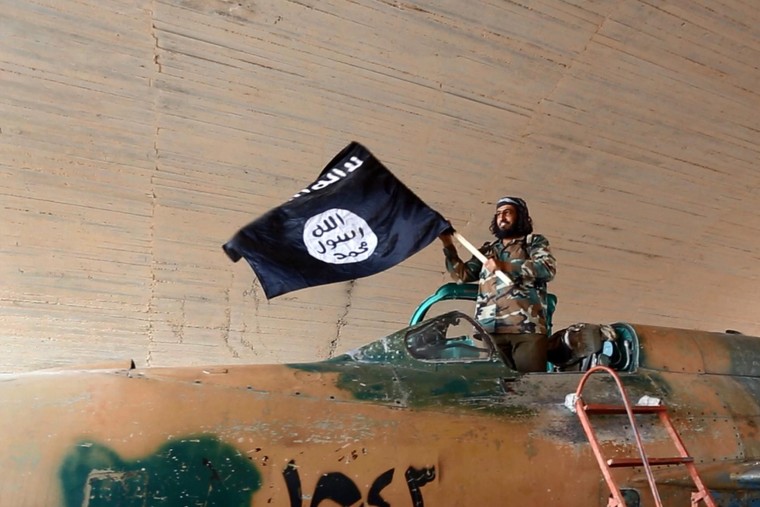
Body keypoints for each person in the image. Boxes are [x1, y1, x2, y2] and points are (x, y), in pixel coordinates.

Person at [439, 196, 556, 372]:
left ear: (521, 216)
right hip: (490, 331)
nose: (502, 217)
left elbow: (547, 269)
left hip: (525, 329)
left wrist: (506, 266)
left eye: (508, 212)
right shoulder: (488, 250)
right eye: (498, 213)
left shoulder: (533, 243)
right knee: (497, 388)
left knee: (529, 386)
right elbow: (462, 275)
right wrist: (447, 243)